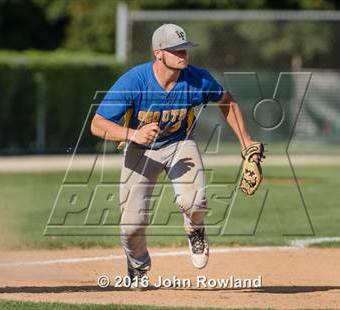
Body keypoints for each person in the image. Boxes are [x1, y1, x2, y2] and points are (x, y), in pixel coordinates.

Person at [91, 23, 258, 287]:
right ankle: (137, 267)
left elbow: (226, 100)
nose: (183, 54)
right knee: (132, 225)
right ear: (158, 53)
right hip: (141, 148)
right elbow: (97, 123)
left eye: (185, 49)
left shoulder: (196, 79)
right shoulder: (135, 81)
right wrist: (132, 134)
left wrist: (246, 142)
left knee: (195, 201)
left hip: (180, 144)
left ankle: (195, 230)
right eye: (176, 50)